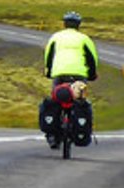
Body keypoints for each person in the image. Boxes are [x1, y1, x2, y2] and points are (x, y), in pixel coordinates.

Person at [40, 11, 99, 147]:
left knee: (56, 99)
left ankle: (53, 135)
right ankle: (80, 132)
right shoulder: (84, 39)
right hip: (79, 75)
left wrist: (49, 71)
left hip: (59, 73)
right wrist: (92, 74)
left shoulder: (56, 37)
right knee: (80, 102)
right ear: (78, 25)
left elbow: (49, 56)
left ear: (64, 24)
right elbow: (92, 59)